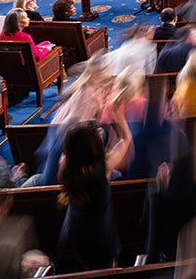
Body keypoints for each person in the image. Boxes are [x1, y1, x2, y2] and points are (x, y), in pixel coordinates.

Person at [56, 113, 132, 272]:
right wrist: (118, 114)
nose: (100, 133)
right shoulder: (103, 166)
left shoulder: (66, 164)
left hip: (73, 232)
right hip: (99, 237)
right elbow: (125, 138)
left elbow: (77, 142)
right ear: (93, 144)